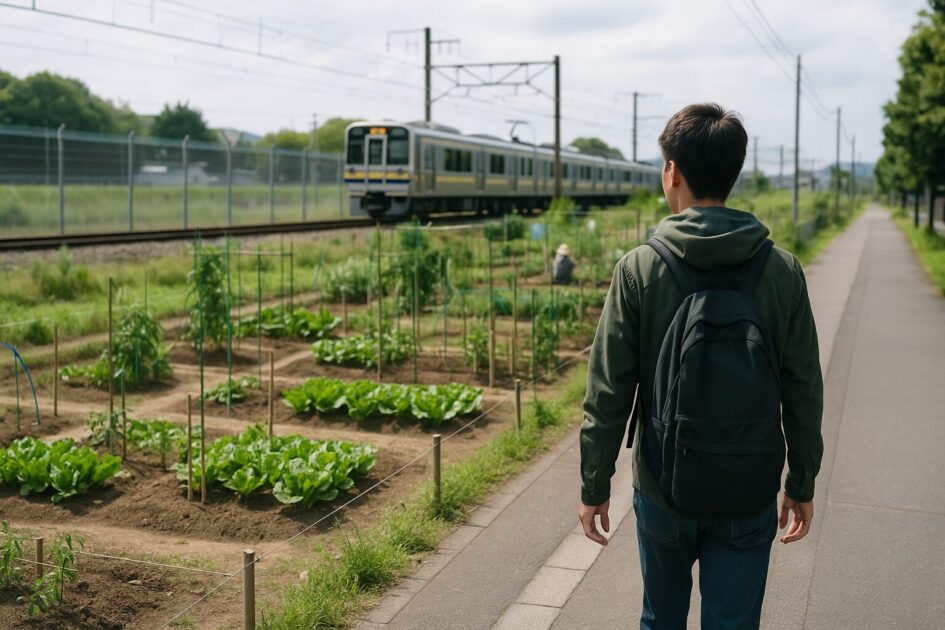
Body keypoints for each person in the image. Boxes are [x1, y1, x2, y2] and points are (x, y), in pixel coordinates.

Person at [577, 103, 824, 630]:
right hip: (749, 487)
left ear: (672, 172)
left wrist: (594, 483)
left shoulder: (640, 269)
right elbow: (804, 388)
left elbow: (608, 391)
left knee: (661, 619)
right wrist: (800, 481)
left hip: (664, 485)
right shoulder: (781, 271)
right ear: (734, 174)